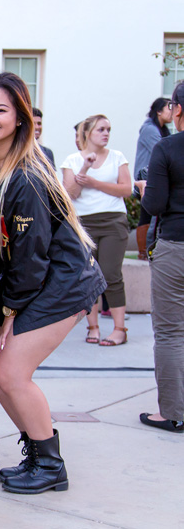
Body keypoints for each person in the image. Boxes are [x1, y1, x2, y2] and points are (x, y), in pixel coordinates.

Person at [0, 72, 106, 494]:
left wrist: (10, 312)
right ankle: (37, 451)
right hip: (40, 282)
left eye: (0, 110)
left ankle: (51, 466)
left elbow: (30, 259)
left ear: (20, 118)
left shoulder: (25, 176)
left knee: (10, 373)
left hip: (62, 284)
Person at [61, 115, 132, 346]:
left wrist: (96, 183)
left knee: (111, 275)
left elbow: (126, 190)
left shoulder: (117, 157)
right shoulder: (72, 160)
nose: (106, 133)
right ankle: (93, 328)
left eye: (108, 129)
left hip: (113, 221)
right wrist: (86, 167)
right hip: (83, 224)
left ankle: (120, 329)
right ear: (88, 132)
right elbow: (70, 194)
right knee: (90, 277)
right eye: (101, 129)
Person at [138, 81, 184, 433]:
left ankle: (173, 412)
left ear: (177, 109)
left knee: (170, 333)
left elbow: (153, 205)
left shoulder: (167, 148)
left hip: (176, 246)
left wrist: (144, 190)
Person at [134, 97, 173, 260]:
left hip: (155, 178)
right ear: (158, 111)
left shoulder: (163, 129)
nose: (172, 112)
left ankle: (147, 250)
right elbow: (164, 150)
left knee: (150, 215)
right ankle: (143, 252)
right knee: (146, 215)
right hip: (145, 179)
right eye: (168, 108)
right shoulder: (150, 129)